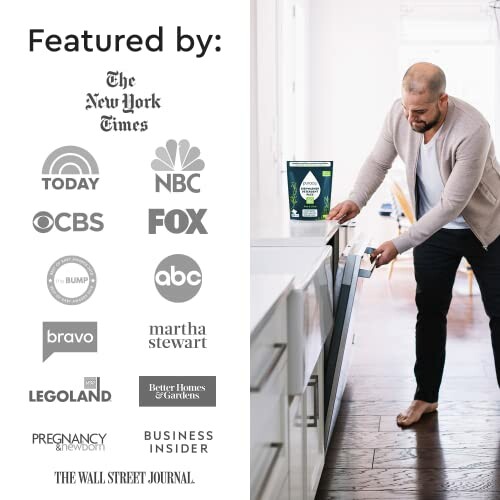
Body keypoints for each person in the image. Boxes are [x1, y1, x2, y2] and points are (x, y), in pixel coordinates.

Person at [327, 62, 500, 427]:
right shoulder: (400, 113)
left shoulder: (473, 129)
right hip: (434, 232)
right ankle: (426, 397)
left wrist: (400, 243)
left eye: (420, 111)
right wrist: (356, 199)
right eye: (407, 108)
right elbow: (378, 160)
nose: (411, 118)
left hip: (486, 230)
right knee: (430, 311)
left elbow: (452, 204)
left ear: (443, 101)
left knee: (499, 315)